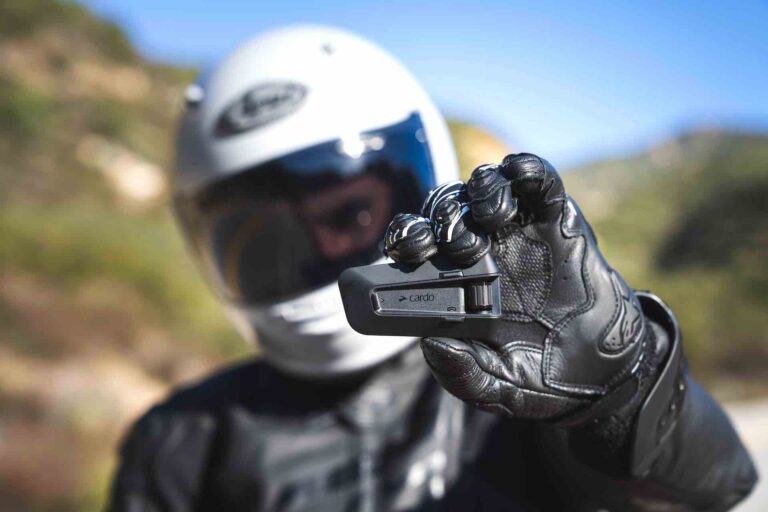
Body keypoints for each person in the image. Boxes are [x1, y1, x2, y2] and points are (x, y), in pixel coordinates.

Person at [108, 25, 757, 511]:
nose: (325, 251)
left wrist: (618, 392)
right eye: (273, 236)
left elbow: (714, 488)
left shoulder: (518, 381)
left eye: (352, 214)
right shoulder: (180, 443)